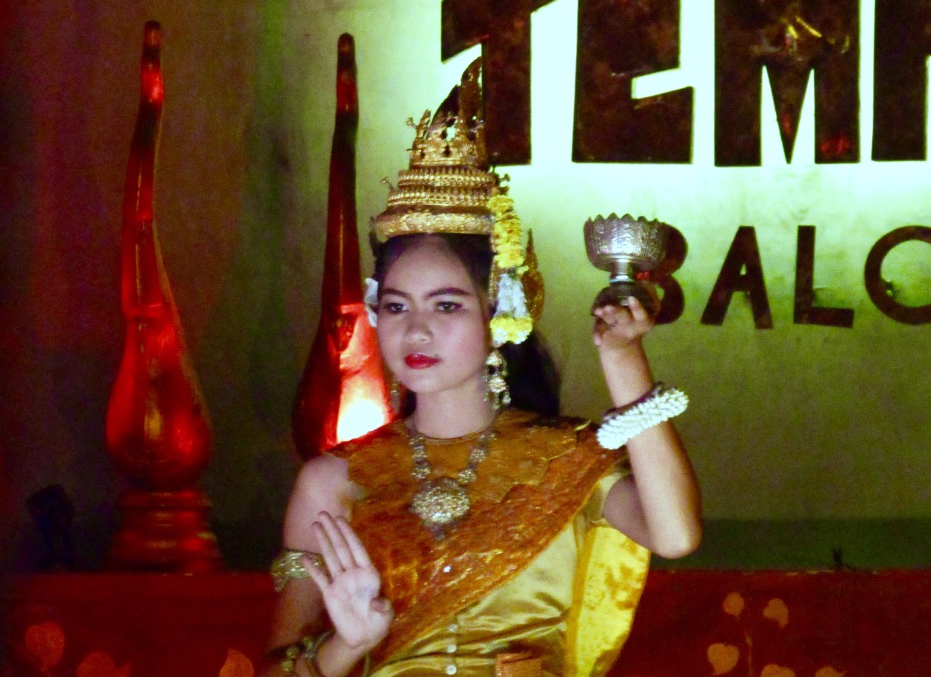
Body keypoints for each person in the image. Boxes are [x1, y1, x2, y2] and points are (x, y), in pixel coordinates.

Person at [264, 60, 701, 677]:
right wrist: (347, 645)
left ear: (501, 313)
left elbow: (676, 534)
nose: (416, 329)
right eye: (395, 306)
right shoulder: (334, 482)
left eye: (447, 305)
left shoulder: (568, 459)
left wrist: (623, 359)